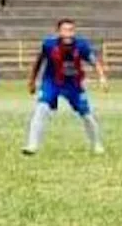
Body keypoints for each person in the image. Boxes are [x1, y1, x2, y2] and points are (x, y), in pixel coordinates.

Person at [23, 19, 107, 156]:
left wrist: (102, 77)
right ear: (59, 32)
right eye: (65, 30)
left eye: (71, 30)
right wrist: (32, 80)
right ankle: (32, 145)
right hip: (52, 81)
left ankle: (97, 144)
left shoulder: (81, 45)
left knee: (87, 114)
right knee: (41, 108)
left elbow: (95, 62)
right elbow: (38, 61)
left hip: (73, 84)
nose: (68, 34)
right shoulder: (49, 45)